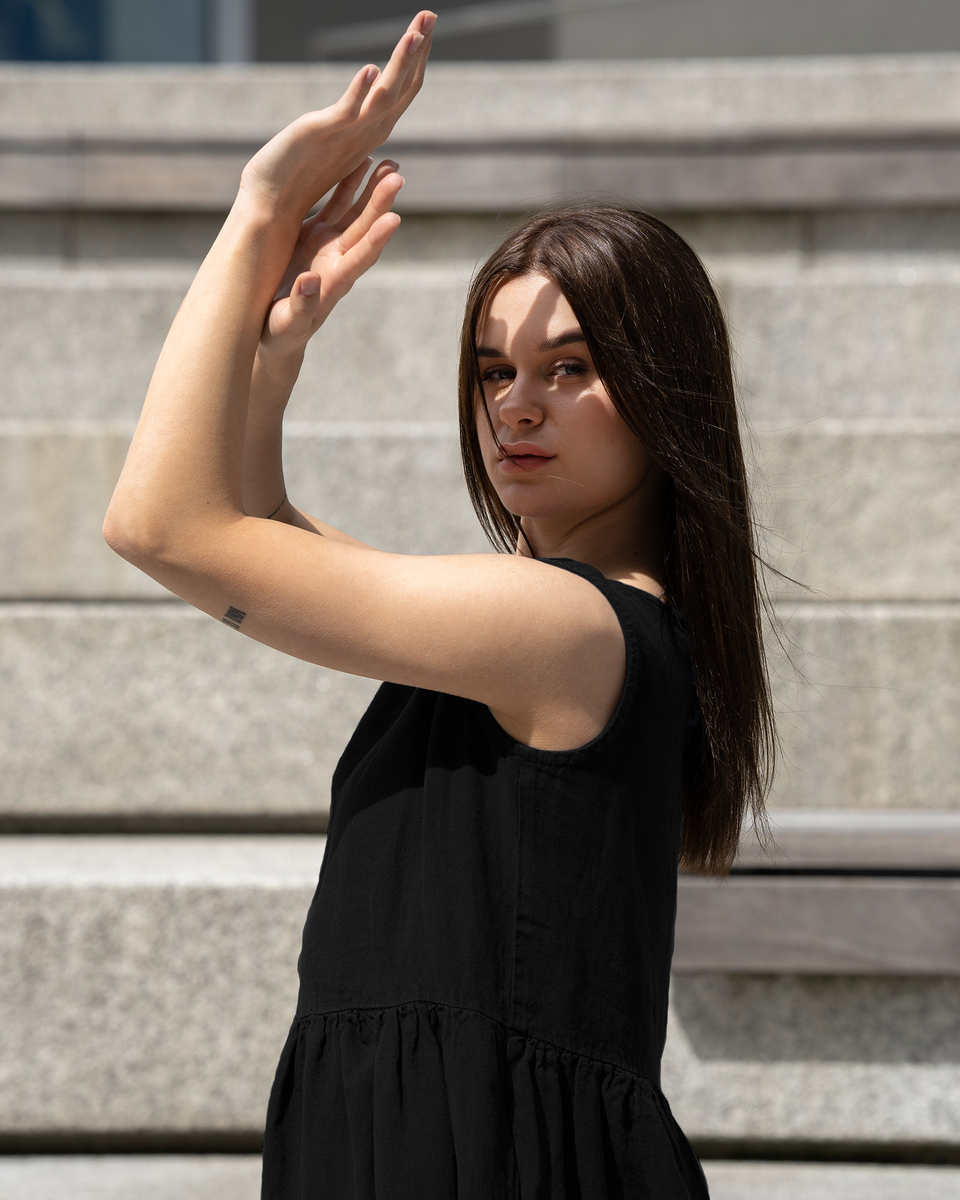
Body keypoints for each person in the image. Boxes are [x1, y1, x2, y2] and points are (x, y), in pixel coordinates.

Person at [104, 10, 775, 1197]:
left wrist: (258, 210)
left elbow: (163, 527)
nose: (517, 405)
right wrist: (271, 364)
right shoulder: (549, 622)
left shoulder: (565, 629)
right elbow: (256, 528)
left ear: (665, 392)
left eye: (570, 368)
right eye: (493, 370)